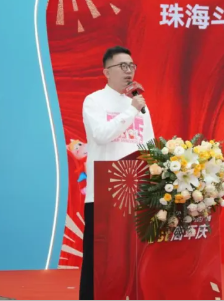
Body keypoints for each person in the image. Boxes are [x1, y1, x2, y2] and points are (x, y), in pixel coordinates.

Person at [79, 46, 154, 300]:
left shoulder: (140, 105)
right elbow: (101, 135)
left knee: (133, 261)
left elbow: (149, 146)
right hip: (104, 194)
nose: (128, 71)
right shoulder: (94, 101)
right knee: (99, 261)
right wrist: (131, 110)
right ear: (106, 72)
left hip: (137, 195)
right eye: (122, 66)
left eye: (131, 66)